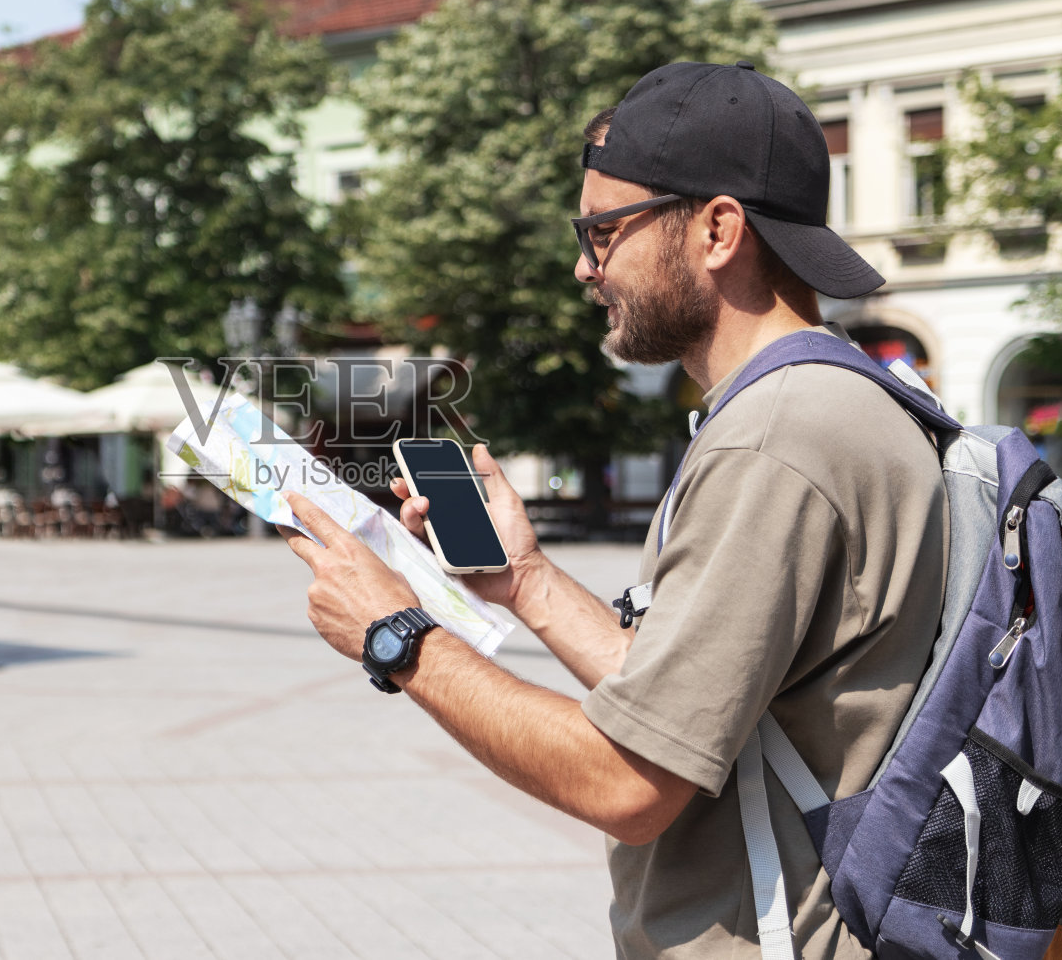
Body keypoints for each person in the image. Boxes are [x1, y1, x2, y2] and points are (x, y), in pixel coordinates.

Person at [281, 61, 946, 959]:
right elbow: (688, 700)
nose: (584, 267)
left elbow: (629, 780)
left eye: (602, 231)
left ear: (718, 229)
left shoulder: (774, 440)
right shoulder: (836, 399)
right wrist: (526, 580)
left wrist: (396, 636)